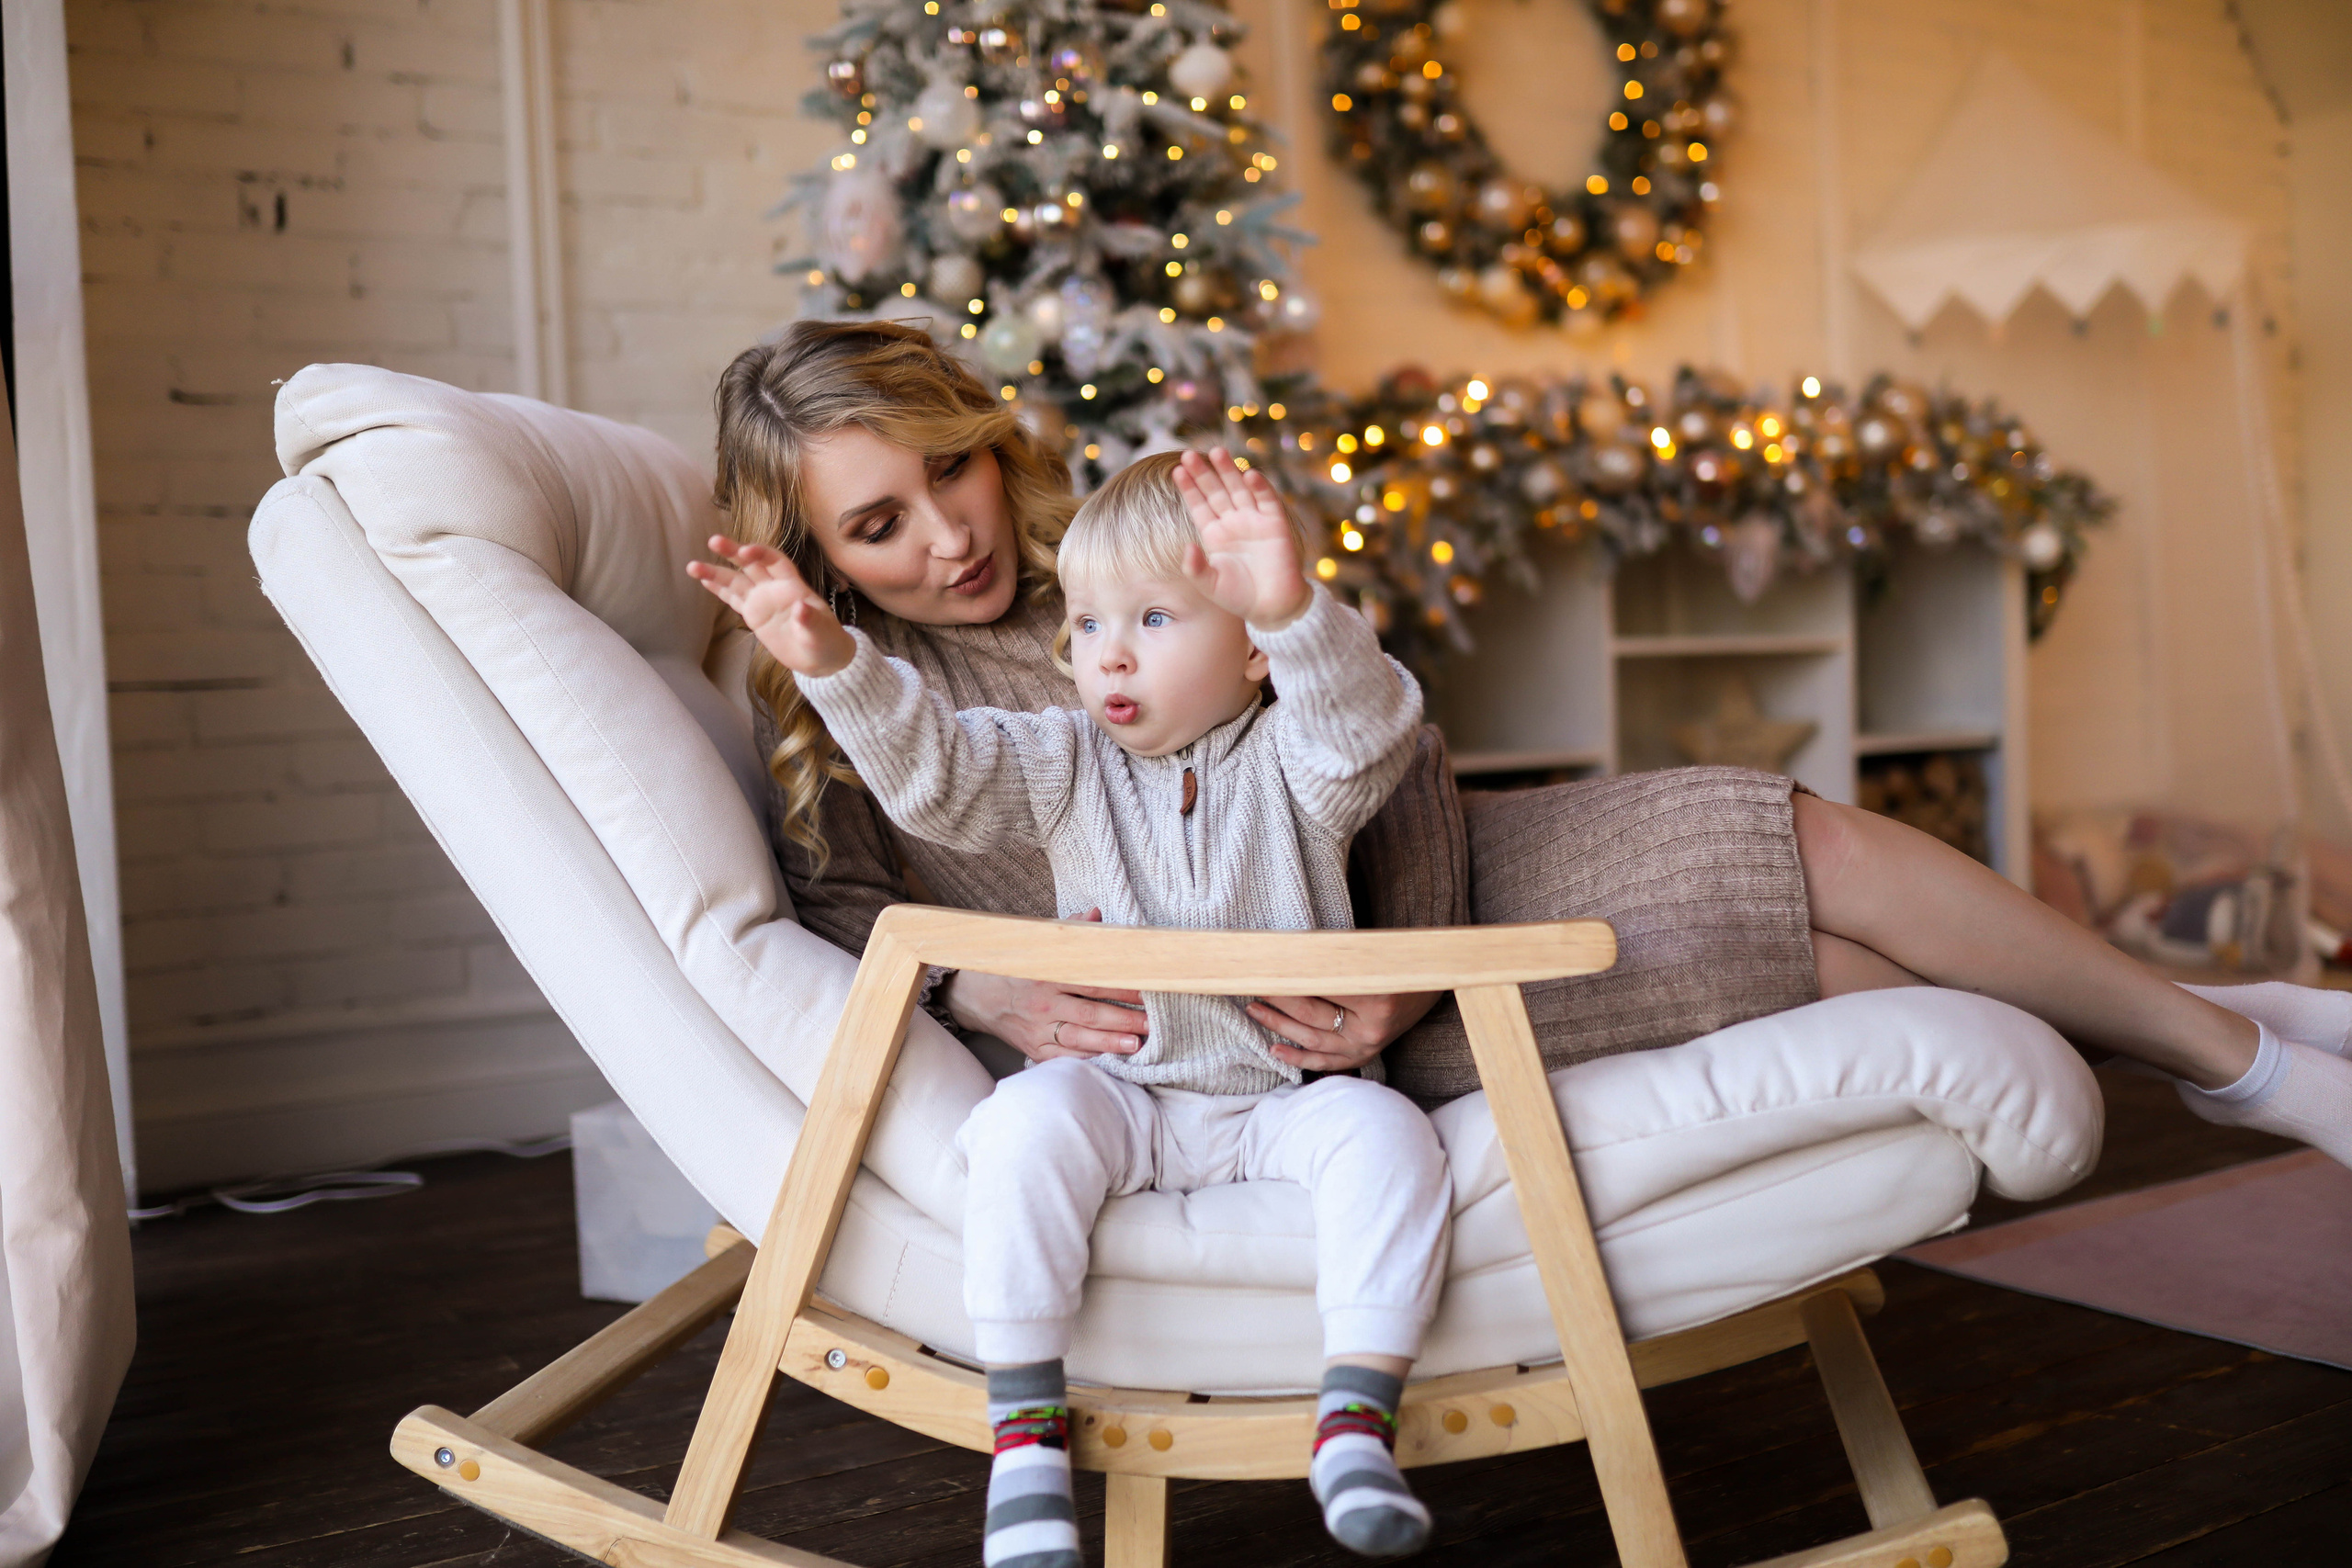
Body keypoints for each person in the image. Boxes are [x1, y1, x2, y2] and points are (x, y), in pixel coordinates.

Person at [701, 318, 2351, 1183]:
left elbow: (1376, 738)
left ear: (990, 441)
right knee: (1827, 953)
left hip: (1413, 900)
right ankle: (2214, 1039)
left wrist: (1419, 961)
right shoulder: (850, 702)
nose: (948, 537)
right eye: (881, 524)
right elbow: (829, 919)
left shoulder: (1120, 571)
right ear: (820, 558)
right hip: (1281, 1016)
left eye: (953, 474)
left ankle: (2236, 1053)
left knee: (1787, 828)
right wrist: (978, 990)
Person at [693, 446, 1453, 1564]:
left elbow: (1369, 723)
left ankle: (1354, 1417)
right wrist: (832, 660)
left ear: (1250, 650)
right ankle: (1027, 1438)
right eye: (1089, 624)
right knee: (1017, 1129)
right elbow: (938, 776)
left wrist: (1294, 608)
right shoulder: (1063, 759)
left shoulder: (1302, 760)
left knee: (1392, 1141)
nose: (1106, 656)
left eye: (1153, 619)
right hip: (1123, 1090)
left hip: (1282, 1096)